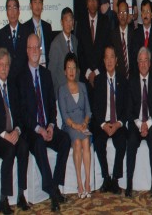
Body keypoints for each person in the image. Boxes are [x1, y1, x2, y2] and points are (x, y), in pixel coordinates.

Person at [18, 34, 70, 212]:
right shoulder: (21, 77)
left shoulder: (46, 75)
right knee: (39, 143)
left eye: (37, 47)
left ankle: (54, 185)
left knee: (65, 140)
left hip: (47, 127)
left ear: (40, 50)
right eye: (31, 47)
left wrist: (51, 126)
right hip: (31, 132)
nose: (34, 51)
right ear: (26, 51)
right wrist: (39, 129)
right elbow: (23, 113)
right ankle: (53, 192)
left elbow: (51, 106)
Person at [0, 48, 30, 213]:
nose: (4, 68)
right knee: (10, 150)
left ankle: (21, 194)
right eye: (0, 65)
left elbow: (20, 116)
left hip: (12, 133)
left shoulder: (13, 87)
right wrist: (5, 135)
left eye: (6, 65)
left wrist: (16, 130)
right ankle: (4, 199)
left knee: (23, 147)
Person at [125, 47, 152, 198]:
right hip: (136, 123)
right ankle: (129, 184)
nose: (143, 64)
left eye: (146, 60)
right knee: (132, 141)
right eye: (140, 61)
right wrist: (141, 125)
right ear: (137, 63)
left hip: (151, 123)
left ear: (150, 63)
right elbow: (129, 110)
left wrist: (148, 124)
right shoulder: (131, 81)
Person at [92, 46, 128, 195]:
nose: (109, 60)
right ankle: (106, 177)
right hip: (103, 123)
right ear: (104, 61)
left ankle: (115, 180)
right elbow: (95, 107)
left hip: (118, 123)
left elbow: (127, 107)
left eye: (112, 57)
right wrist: (103, 124)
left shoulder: (122, 80)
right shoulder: (99, 80)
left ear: (117, 60)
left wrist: (118, 124)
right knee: (99, 143)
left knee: (121, 142)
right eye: (106, 57)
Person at [57, 53, 92, 199]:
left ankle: (88, 182)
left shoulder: (83, 86)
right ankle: (79, 182)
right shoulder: (62, 90)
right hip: (70, 126)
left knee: (85, 141)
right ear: (64, 71)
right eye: (68, 68)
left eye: (73, 68)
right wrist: (77, 126)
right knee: (77, 142)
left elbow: (88, 110)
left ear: (77, 70)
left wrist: (85, 123)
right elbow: (65, 116)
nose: (71, 71)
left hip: (83, 124)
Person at [76, 0, 111, 89]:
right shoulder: (81, 23)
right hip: (85, 77)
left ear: (98, 2)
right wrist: (88, 73)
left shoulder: (105, 22)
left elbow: (107, 49)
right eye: (90, 0)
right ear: (86, 3)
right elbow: (80, 51)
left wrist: (96, 73)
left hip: (101, 75)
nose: (92, 2)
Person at [0, 0, 27, 85]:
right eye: (9, 8)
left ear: (19, 11)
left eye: (15, 8)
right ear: (6, 12)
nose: (12, 12)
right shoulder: (1, 34)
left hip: (25, 82)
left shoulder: (27, 32)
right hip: (8, 83)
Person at [49, 7, 80, 96]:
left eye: (71, 20)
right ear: (61, 22)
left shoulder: (75, 40)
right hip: (61, 93)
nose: (68, 24)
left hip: (75, 90)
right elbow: (52, 73)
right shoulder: (55, 44)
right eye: (66, 20)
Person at [132, 0, 152, 83]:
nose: (146, 14)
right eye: (143, 11)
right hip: (138, 78)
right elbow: (134, 57)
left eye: (148, 11)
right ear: (141, 14)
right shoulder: (135, 34)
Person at [23, 0, 52, 68]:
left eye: (40, 2)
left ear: (42, 5)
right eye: (35, 2)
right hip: (31, 67)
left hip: (46, 68)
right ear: (30, 5)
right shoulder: (24, 28)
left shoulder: (47, 27)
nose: (37, 5)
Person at [112, 1, 135, 81]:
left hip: (133, 77)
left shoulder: (134, 34)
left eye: (125, 12)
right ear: (117, 15)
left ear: (128, 15)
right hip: (118, 78)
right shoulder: (112, 35)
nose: (122, 16)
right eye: (120, 12)